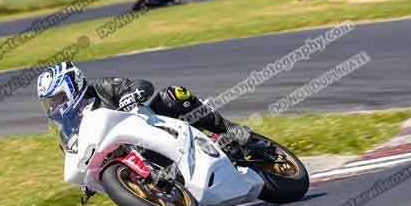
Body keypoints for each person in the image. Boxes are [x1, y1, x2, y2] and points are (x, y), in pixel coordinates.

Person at [36, 61, 252, 148]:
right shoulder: (66, 130)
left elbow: (142, 85)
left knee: (173, 95)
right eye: (50, 102)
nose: (54, 106)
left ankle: (227, 128)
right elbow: (76, 155)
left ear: (72, 86)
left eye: (56, 98)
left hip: (151, 124)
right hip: (129, 153)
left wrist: (130, 96)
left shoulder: (101, 87)